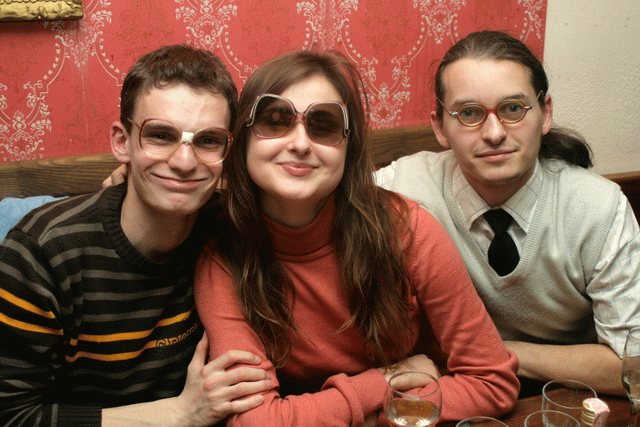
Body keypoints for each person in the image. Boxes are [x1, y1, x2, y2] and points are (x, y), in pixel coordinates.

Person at [194, 49, 519, 425]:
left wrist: (367, 415)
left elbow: (492, 383)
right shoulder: (223, 261)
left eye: (323, 126)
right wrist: (385, 383)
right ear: (243, 139)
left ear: (349, 147)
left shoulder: (407, 229)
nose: (300, 143)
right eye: (275, 121)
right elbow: (256, 422)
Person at [0, 44, 272, 426]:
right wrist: (179, 413)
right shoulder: (42, 252)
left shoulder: (233, 228)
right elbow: (12, 415)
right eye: (160, 135)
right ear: (122, 142)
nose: (184, 162)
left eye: (208, 140)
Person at [375, 30, 640, 396]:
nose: (494, 133)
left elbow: (632, 368)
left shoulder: (599, 208)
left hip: (563, 396)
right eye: (469, 113)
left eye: (513, 109)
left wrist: (492, 354)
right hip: (451, 392)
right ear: (439, 127)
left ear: (545, 114)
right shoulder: (399, 187)